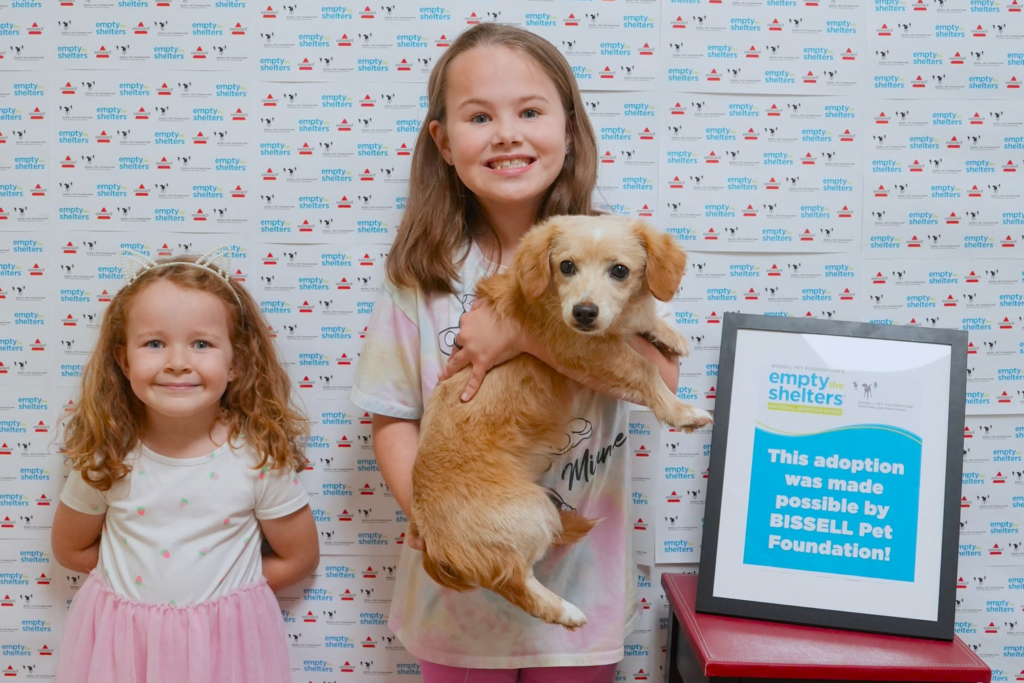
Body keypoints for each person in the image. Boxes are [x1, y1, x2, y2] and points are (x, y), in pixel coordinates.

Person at [350, 23, 682, 683]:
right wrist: (433, 517)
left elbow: (660, 376)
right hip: (460, 591)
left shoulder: (611, 255)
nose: (507, 132)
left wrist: (523, 335)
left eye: (529, 111)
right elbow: (392, 416)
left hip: (583, 584)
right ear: (443, 142)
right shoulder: (424, 276)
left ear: (569, 128)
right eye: (480, 116)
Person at [50, 250, 320, 683]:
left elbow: (299, 555)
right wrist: (138, 588)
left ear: (236, 363)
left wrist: (229, 598)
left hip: (225, 646)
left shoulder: (257, 457)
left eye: (201, 343)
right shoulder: (109, 455)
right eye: (155, 343)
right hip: (125, 646)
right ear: (124, 360)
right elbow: (70, 548)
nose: (177, 361)